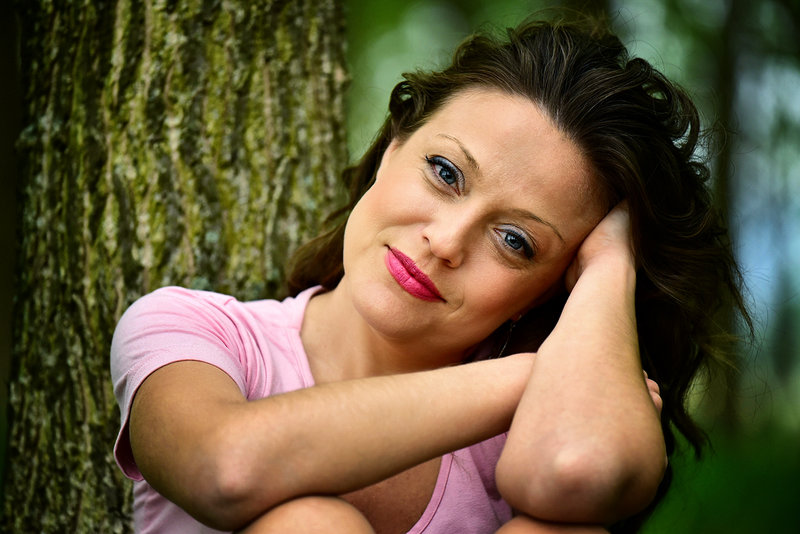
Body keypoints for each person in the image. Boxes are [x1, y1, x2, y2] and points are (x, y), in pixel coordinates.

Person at [110, 13, 751, 534]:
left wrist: (611, 264)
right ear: (393, 147)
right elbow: (225, 467)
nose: (445, 242)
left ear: (550, 291)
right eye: (446, 172)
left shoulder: (530, 432)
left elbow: (577, 472)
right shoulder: (198, 334)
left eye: (515, 241)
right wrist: (538, 374)